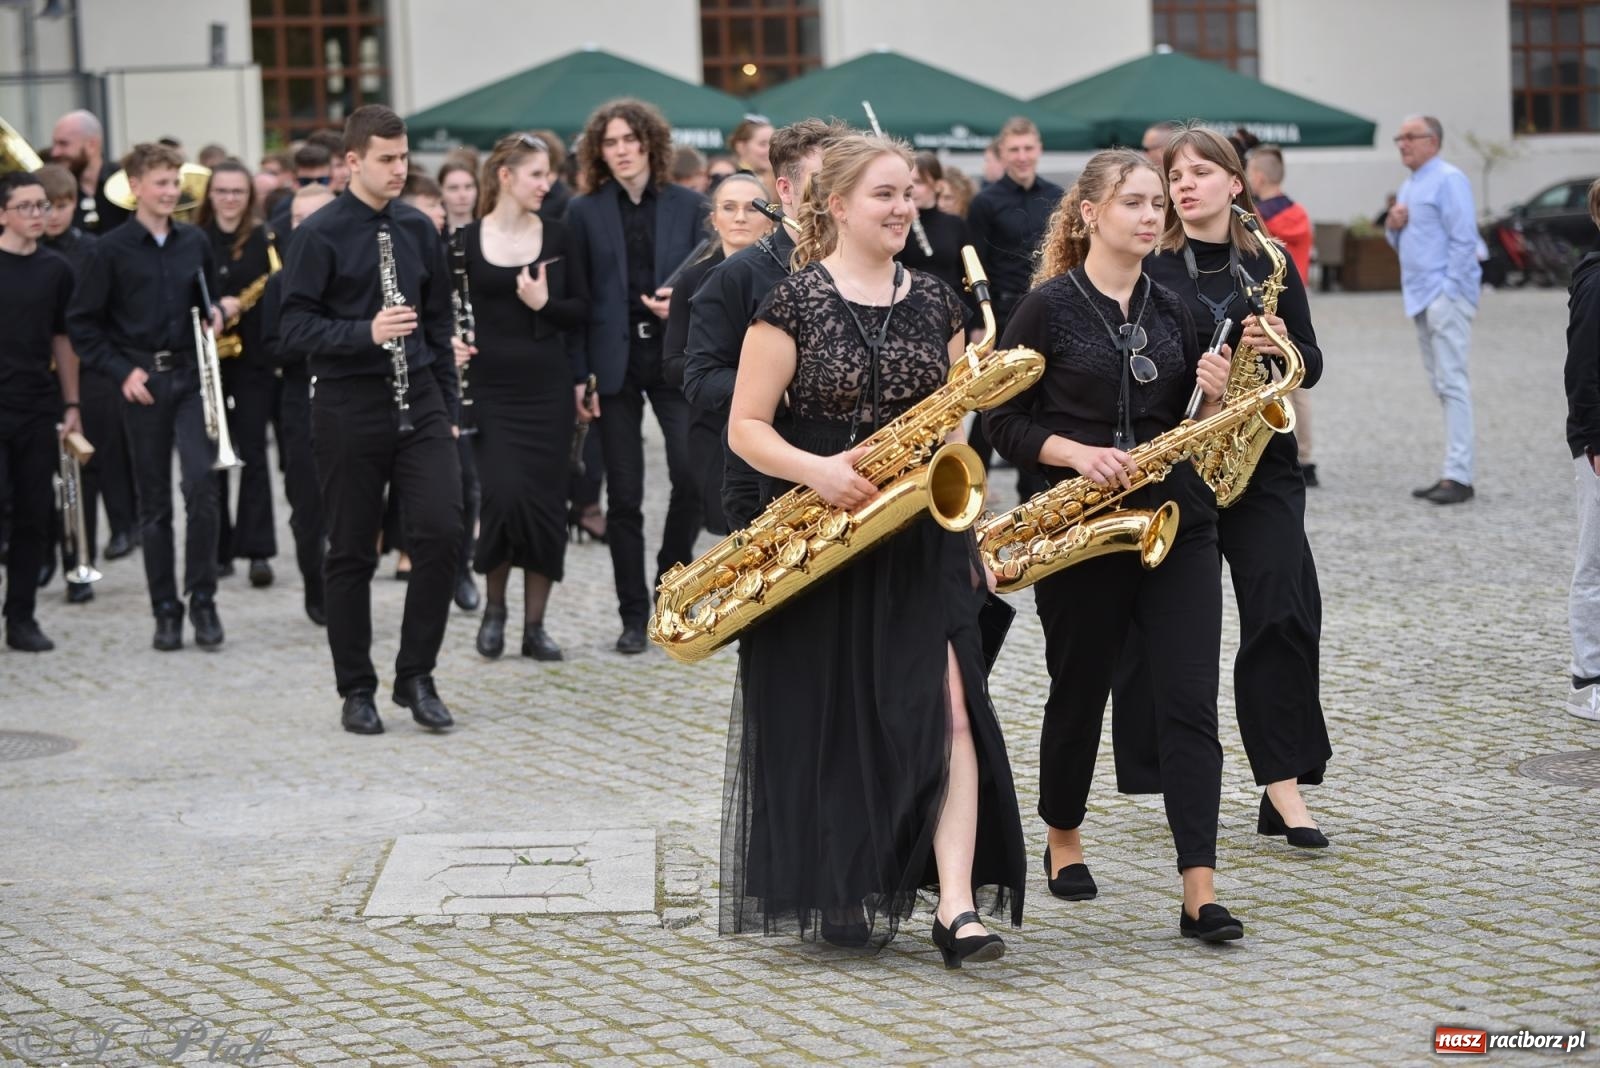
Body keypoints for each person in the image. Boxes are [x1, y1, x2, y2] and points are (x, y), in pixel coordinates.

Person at [723, 133, 1025, 961]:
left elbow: (955, 423)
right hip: (819, 533)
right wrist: (818, 471)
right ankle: (844, 882)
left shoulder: (939, 304)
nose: (903, 208)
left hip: (921, 535)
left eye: (909, 194)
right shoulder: (790, 304)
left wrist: (954, 507)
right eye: (885, 195)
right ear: (839, 205)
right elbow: (745, 427)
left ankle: (955, 904)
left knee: (954, 711)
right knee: (835, 716)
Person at [982, 147, 1241, 941]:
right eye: (1134, 201)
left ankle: (1200, 888)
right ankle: (1063, 834)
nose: (1152, 213)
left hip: (1176, 521)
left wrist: (1215, 399)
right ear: (1090, 213)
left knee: (1191, 699)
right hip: (1080, 526)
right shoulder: (1047, 308)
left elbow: (1191, 431)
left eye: (1157, 201)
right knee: (1081, 685)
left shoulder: (1177, 306)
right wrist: (1074, 453)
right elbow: (1001, 422)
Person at [1129, 126, 1332, 848]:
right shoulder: (1151, 268)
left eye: (1199, 173)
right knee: (1171, 635)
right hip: (1183, 467)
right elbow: (1131, 376)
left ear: (1235, 184)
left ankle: (1283, 788)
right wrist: (1199, 384)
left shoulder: (1269, 263)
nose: (1184, 185)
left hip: (1262, 465)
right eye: (1174, 175)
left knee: (1283, 613)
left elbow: (1311, 361)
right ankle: (1179, 781)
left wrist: (1281, 349)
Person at [279, 104, 463, 735]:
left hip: (421, 400)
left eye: (404, 157)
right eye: (386, 159)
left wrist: (447, 396)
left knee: (441, 531)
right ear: (352, 161)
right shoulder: (318, 233)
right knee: (353, 549)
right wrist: (366, 330)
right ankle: (356, 687)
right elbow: (293, 325)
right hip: (347, 403)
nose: (399, 169)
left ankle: (417, 675)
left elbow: (437, 318)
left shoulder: (417, 226)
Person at [67, 142, 228, 652]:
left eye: (173, 181)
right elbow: (82, 326)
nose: (170, 190)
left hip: (190, 379)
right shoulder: (107, 250)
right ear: (135, 187)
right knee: (154, 506)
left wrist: (214, 315)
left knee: (203, 490)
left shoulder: (194, 241)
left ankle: (203, 598)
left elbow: (204, 301)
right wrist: (121, 372)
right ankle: (165, 609)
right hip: (143, 387)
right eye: (160, 182)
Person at [565, 98, 708, 654]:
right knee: (622, 494)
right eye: (611, 143)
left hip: (674, 358)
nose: (622, 151)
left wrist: (683, 303)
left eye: (630, 140)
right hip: (612, 364)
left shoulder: (692, 206)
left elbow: (712, 281)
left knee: (692, 478)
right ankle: (632, 614)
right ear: (600, 152)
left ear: (650, 143)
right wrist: (580, 376)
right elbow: (577, 302)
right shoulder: (582, 212)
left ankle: (667, 587)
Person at [452, 133, 592, 662]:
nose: (547, 183)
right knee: (503, 496)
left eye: (549, 173)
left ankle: (534, 627)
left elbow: (581, 310)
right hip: (490, 390)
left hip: (548, 389)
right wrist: (451, 344)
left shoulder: (560, 234)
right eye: (536, 173)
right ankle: (495, 609)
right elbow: (446, 310)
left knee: (545, 506)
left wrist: (543, 303)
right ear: (505, 176)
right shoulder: (464, 240)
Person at [683, 118, 841, 532]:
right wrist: (781, 390)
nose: (837, 193)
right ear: (785, 190)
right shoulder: (736, 275)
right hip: (765, 481)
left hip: (853, 465)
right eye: (822, 181)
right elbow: (699, 378)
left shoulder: (864, 264)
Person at [39, 163, 138, 597]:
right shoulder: (24, 252)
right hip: (38, 373)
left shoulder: (91, 250)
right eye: (47, 207)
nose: (55, 216)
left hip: (90, 371)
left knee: (88, 467)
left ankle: (83, 561)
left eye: (62, 206)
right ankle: (48, 554)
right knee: (44, 474)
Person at [662, 172, 771, 536]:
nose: (740, 217)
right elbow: (673, 365)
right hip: (713, 423)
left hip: (778, 426)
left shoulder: (791, 276)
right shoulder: (692, 281)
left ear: (769, 216)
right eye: (729, 207)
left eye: (751, 208)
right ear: (714, 218)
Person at [0, 172, 81, 651]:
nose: (39, 214)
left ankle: (21, 617)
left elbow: (63, 339)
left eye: (42, 206)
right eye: (27, 206)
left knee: (34, 514)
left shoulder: (57, 270)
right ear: (3, 213)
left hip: (36, 405)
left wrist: (72, 403)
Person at [1386, 114, 1480, 505]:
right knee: (1441, 385)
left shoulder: (1448, 179)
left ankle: (1459, 475)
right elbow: (1407, 244)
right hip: (1421, 296)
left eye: (1411, 137)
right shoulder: (1410, 184)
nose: (1403, 143)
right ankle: (1452, 470)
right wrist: (1393, 225)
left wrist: (1449, 291)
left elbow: (1464, 239)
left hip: (1443, 296)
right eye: (1399, 137)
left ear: (1433, 141)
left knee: (1453, 383)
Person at [966, 117, 1064, 490]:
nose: (1022, 157)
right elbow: (975, 264)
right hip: (1004, 313)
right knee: (994, 400)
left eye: (1028, 148)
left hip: (1049, 309)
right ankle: (973, 482)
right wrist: (979, 322)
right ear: (1001, 154)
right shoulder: (984, 202)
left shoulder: (1055, 196)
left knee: (1041, 400)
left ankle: (1033, 488)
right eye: (1014, 150)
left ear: (1038, 150)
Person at [197, 159, 280, 589]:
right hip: (208, 361)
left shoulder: (265, 241)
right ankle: (218, 548)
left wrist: (237, 308)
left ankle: (259, 551)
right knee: (211, 456)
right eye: (222, 191)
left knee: (252, 454)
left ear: (250, 197)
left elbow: (272, 293)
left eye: (238, 191)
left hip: (253, 361)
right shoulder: (195, 240)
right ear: (210, 195)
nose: (229, 199)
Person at [259, 181, 336, 626]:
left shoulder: (353, 274)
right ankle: (314, 580)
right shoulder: (280, 283)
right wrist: (319, 339)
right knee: (307, 506)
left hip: (349, 400)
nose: (303, 228)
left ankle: (347, 584)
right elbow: (270, 347)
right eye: (295, 220)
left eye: (312, 219)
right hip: (299, 403)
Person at [1245, 144, 1319, 487]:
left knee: (1279, 385)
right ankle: (1306, 456)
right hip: (1296, 302)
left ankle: (1288, 452)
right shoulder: (1300, 212)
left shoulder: (1257, 220)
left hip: (1269, 304)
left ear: (1257, 176)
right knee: (1296, 385)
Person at [1564, 178, 1600, 723]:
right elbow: (1584, 367)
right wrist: (1593, 438)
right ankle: (1589, 679)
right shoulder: (1596, 283)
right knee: (1595, 560)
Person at [898, 153, 974, 318]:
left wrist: (977, 323)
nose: (912, 188)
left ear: (938, 185)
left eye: (919, 182)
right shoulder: (898, 223)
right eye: (908, 182)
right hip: (910, 312)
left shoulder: (955, 224)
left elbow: (968, 275)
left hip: (951, 311)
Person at [50, 109, 128, 234]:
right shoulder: (54, 189)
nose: (55, 152)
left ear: (92, 145)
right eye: (54, 144)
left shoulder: (125, 183)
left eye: (63, 144)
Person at [728, 117, 775, 198]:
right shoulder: (731, 179)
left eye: (773, 144)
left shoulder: (778, 179)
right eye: (762, 144)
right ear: (741, 147)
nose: (770, 150)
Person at [438, 154, 478, 233]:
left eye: (468, 187)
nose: (463, 195)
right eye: (453, 188)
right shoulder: (431, 234)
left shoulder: (488, 232)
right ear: (440, 191)